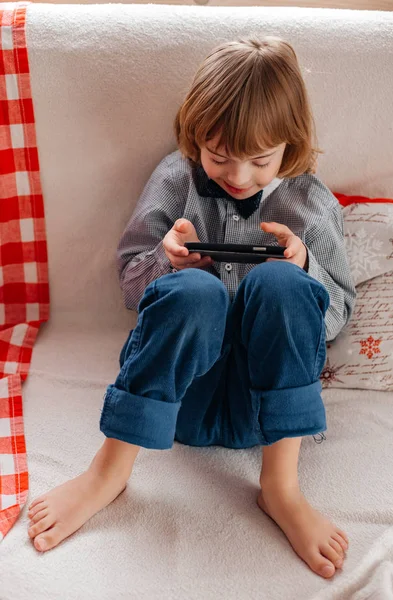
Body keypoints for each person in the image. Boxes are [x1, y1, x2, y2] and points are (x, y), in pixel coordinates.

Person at [27, 36, 356, 579]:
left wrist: (302, 269)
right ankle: (108, 472)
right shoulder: (176, 180)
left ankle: (281, 488)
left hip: (266, 413)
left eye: (260, 160)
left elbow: (338, 315)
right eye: (219, 155)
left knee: (283, 284)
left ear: (289, 145)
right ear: (194, 135)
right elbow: (134, 287)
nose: (239, 175)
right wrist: (168, 261)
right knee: (195, 293)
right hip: (177, 400)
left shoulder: (310, 200)